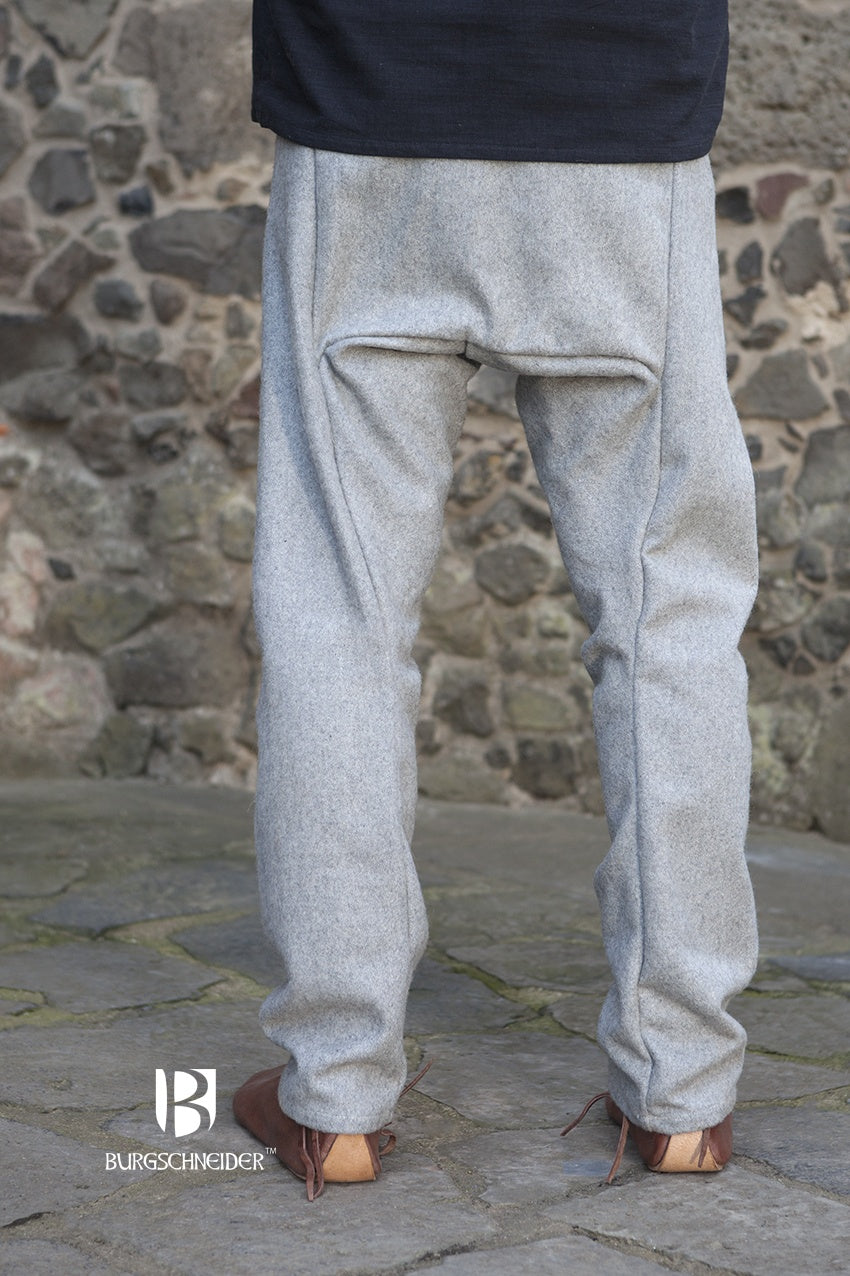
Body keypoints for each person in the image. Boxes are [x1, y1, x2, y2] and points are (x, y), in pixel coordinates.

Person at [233, 1, 760, 1199]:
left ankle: (335, 1097)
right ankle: (681, 1093)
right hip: (621, 116)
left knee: (338, 610)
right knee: (666, 619)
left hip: (365, 108)